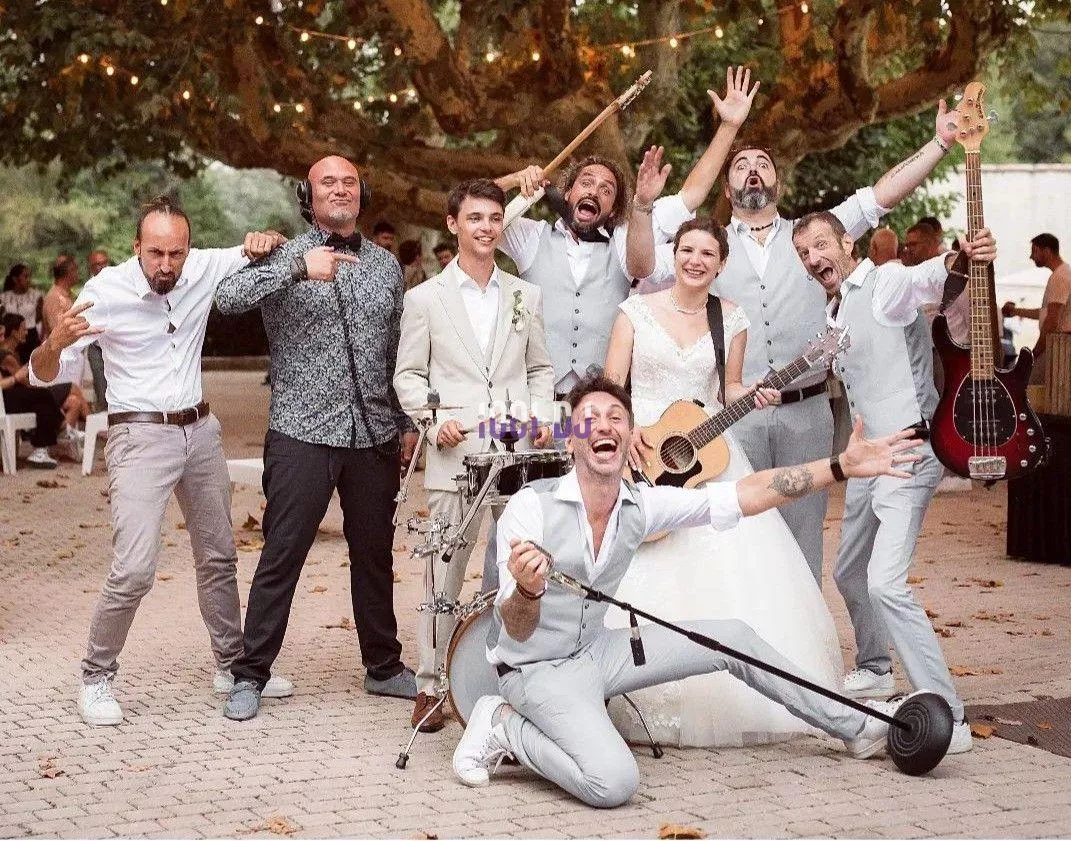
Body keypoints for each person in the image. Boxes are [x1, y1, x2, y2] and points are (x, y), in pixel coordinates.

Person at [451, 374, 925, 807]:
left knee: (732, 637)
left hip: (598, 652)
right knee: (613, 783)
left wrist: (840, 466)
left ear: (629, 438)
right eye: (589, 418)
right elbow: (514, 627)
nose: (604, 425)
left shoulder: (641, 506)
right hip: (535, 669)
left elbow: (748, 493)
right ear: (572, 438)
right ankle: (502, 725)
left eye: (616, 417)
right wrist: (528, 591)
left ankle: (857, 727)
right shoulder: (532, 509)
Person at [28, 195, 288, 725]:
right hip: (139, 437)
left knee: (219, 557)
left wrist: (267, 239)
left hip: (201, 432)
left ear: (188, 249)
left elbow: (265, 249)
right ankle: (95, 678)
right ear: (136, 248)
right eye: (156, 253)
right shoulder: (104, 292)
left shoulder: (202, 267)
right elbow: (42, 375)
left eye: (176, 253)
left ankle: (231, 665)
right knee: (134, 568)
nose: (167, 265)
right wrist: (53, 342)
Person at [682, 101, 965, 586]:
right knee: (738, 535)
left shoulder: (815, 235)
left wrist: (940, 142)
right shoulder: (710, 248)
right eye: (741, 166)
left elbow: (881, 195)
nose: (753, 170)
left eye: (763, 164)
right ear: (727, 188)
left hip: (808, 411)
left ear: (778, 183)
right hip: (739, 416)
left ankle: (806, 634)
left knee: (804, 535)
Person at [601, 216, 842, 747]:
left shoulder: (730, 318)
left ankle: (738, 694)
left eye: (707, 254)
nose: (695, 261)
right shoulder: (634, 312)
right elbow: (612, 385)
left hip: (708, 452)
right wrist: (627, 431)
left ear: (721, 264)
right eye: (687, 250)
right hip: (643, 447)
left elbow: (727, 389)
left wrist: (755, 393)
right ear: (674, 255)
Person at [217, 155, 419, 722]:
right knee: (282, 554)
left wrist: (405, 422)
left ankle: (383, 666)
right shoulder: (280, 255)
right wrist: (296, 268)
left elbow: (396, 352)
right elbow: (227, 300)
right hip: (301, 430)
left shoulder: (386, 266)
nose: (340, 189)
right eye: (328, 182)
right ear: (308, 196)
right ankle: (250, 673)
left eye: (350, 181)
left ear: (363, 193)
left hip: (372, 432)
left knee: (374, 554)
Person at [791, 211, 998, 754]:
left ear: (847, 243)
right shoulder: (835, 308)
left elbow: (931, 277)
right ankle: (877, 669)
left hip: (907, 453)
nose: (813, 258)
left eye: (820, 245)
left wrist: (962, 258)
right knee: (849, 571)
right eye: (804, 253)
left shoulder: (885, 283)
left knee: (885, 583)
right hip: (868, 459)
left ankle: (949, 715)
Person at [394, 178, 555, 733]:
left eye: (494, 218)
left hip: (517, 458)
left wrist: (542, 415)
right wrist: (433, 421)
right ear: (453, 224)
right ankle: (430, 684)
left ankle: (521, 678)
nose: (486, 227)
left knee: (526, 567)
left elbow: (540, 368)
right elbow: (408, 376)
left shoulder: (525, 295)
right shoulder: (424, 299)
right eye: (475, 218)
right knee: (443, 575)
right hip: (455, 455)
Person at [495, 67, 760, 401]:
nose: (595, 191)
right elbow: (470, 212)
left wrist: (729, 126)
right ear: (568, 192)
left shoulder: (625, 239)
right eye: (586, 183)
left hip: (599, 402)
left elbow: (692, 194)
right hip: (534, 398)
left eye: (606, 190)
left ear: (613, 208)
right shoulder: (531, 238)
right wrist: (514, 180)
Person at [1, 317, 65, 469]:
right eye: (0, 335)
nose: (3, 339)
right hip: (3, 402)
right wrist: (16, 378)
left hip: (6, 400)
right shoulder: (5, 356)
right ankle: (62, 428)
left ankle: (42, 448)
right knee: (43, 395)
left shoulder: (8, 353)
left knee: (43, 401)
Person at [1003, 233, 1069, 377]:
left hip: (1058, 347)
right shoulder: (1060, 274)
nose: (1031, 256)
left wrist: (1035, 352)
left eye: (1034, 251)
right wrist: (1016, 311)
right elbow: (1046, 312)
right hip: (1054, 346)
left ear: (1047, 251)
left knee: (1030, 382)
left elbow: (1052, 320)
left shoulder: (1060, 276)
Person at [1, 263, 44, 363]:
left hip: (30, 336)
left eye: (29, 276)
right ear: (15, 279)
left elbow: (39, 317)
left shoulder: (36, 296)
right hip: (11, 336)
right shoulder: (4, 297)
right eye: (25, 276)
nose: (29, 280)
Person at [86, 249, 112, 410]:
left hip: (115, 345)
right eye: (97, 264)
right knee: (102, 391)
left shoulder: (118, 285)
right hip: (96, 347)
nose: (102, 267)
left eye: (104, 263)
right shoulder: (88, 290)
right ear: (91, 268)